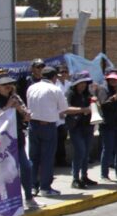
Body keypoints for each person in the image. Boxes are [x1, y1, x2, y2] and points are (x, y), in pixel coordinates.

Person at [27, 66, 89, 196]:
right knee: (47, 158)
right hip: (48, 126)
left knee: (34, 158)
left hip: (33, 125)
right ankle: (45, 188)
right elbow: (64, 110)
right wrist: (82, 110)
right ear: (54, 77)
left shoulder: (31, 88)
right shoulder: (55, 89)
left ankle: (32, 186)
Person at [0, 73, 40, 208]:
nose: (8, 87)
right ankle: (4, 202)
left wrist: (20, 109)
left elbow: (27, 117)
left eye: (10, 84)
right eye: (4, 85)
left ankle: (29, 197)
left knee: (26, 167)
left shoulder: (15, 98)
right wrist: (7, 107)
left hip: (16, 139)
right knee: (2, 174)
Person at [65, 71, 98, 189]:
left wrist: (94, 101)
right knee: (80, 151)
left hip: (87, 126)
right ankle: (75, 178)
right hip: (75, 127)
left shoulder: (87, 93)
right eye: (80, 83)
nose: (83, 85)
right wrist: (83, 109)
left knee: (86, 152)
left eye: (85, 83)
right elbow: (66, 109)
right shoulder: (70, 93)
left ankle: (84, 176)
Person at [97, 72, 117, 181]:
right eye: (111, 80)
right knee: (108, 149)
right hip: (108, 124)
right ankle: (104, 174)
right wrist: (116, 96)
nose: (113, 82)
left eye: (116, 80)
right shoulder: (103, 90)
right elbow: (104, 104)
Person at [54, 64, 72, 168]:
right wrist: (60, 111)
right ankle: (59, 160)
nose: (64, 74)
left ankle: (62, 159)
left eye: (66, 72)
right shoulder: (55, 85)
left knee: (64, 136)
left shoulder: (69, 84)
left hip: (67, 112)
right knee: (59, 137)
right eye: (62, 72)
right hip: (58, 114)